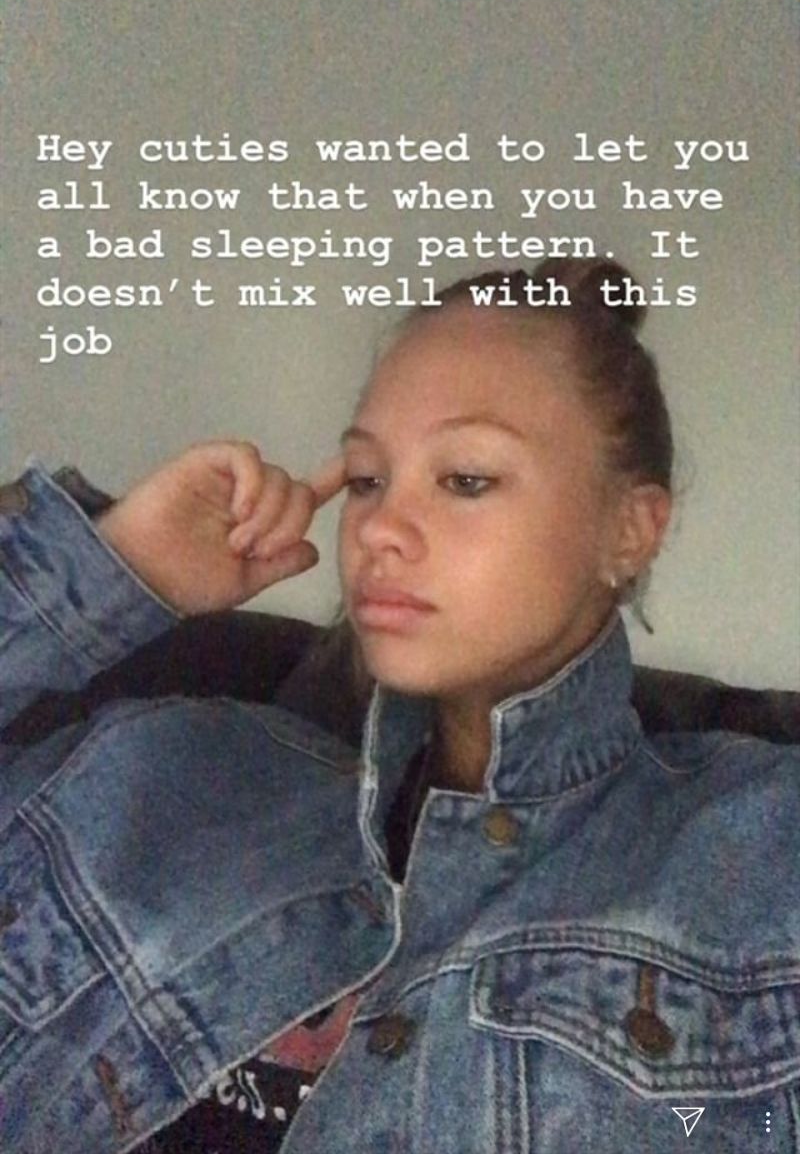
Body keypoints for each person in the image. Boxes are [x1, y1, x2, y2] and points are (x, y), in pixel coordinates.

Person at [0, 257, 798, 1153]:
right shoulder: (163, 770)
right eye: (368, 479)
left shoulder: (763, 852)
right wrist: (108, 567)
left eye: (465, 479)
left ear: (629, 528)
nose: (378, 528)